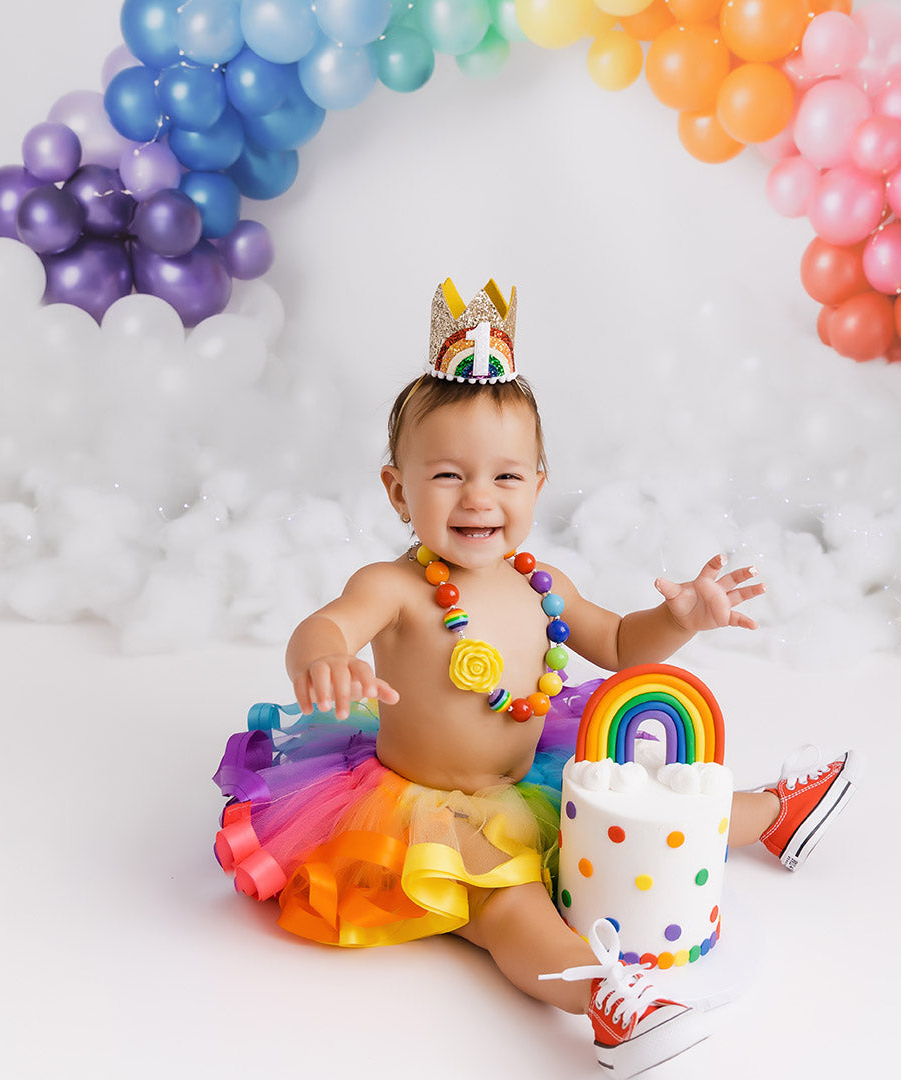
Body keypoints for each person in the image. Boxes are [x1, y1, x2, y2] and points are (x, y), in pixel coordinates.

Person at [213, 279, 862, 1078]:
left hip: (532, 780)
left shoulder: (542, 582)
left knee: (640, 801)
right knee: (511, 905)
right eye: (448, 475)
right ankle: (602, 1001)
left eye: (506, 477)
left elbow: (623, 643)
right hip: (431, 816)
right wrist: (324, 661)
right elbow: (329, 623)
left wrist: (684, 617)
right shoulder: (397, 587)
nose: (478, 496)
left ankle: (770, 814)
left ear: (538, 486)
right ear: (398, 490)